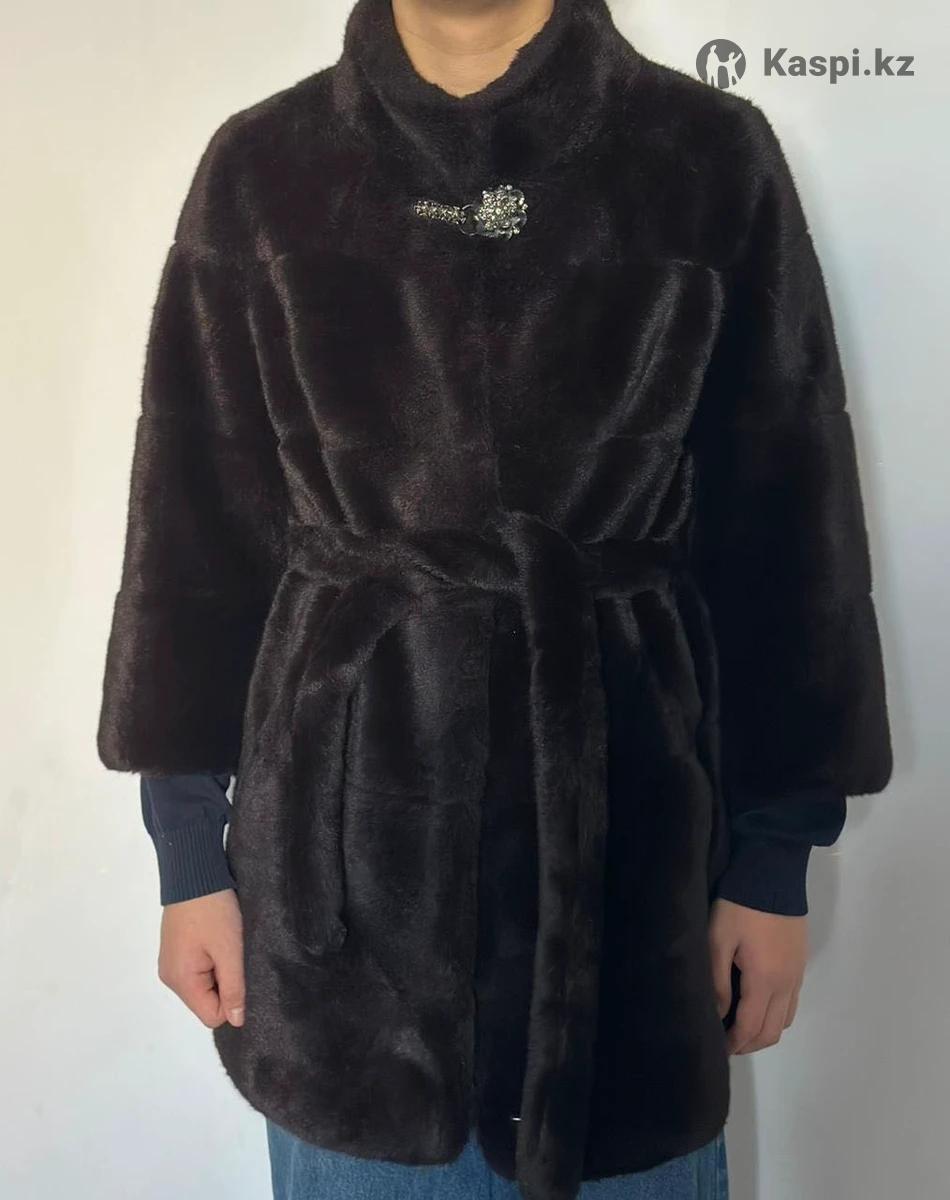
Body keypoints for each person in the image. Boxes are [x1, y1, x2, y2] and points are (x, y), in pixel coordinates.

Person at [97, 1, 893, 1198]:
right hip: (339, 880)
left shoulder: (705, 154)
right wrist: (184, 853)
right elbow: (191, 524)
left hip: (629, 859)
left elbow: (787, 522)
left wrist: (772, 859)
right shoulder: (262, 167)